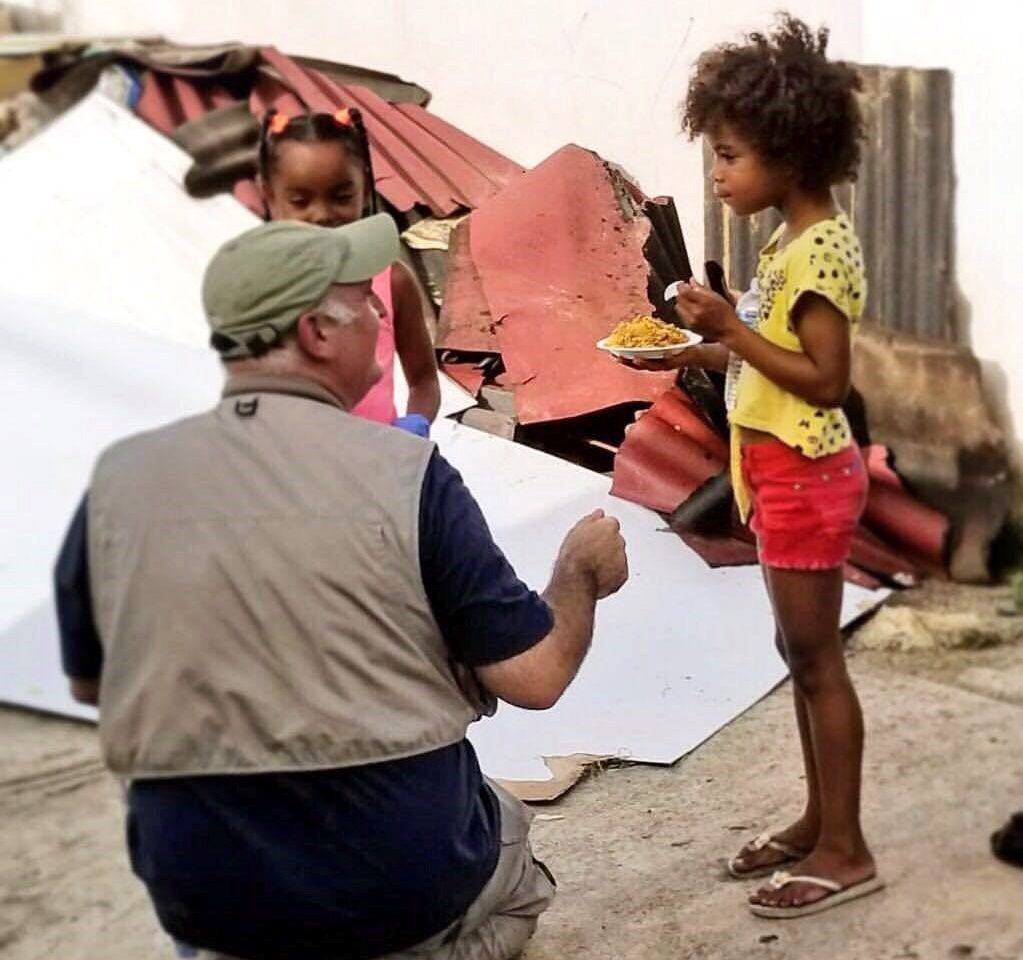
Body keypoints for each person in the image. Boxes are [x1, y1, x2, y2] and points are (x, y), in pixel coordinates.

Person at [53, 214, 629, 959]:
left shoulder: (120, 480)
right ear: (315, 334)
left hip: (205, 903)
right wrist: (576, 574)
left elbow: (92, 685)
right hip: (395, 900)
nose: (380, 318)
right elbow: (536, 676)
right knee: (510, 843)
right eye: (365, 303)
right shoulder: (405, 474)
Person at [633, 14, 883, 918]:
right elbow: (765, 355)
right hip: (780, 474)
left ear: (788, 151)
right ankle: (821, 818)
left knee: (818, 664)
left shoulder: (820, 251)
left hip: (808, 478)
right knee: (799, 651)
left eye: (730, 154)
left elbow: (823, 381)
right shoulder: (787, 243)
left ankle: (846, 851)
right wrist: (690, 356)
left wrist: (726, 330)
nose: (717, 172)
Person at [259, 107, 440, 430]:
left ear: (365, 192)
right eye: (300, 202)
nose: (322, 215)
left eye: (341, 196)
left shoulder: (392, 281)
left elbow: (424, 380)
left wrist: (414, 424)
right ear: (271, 198)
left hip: (377, 462)